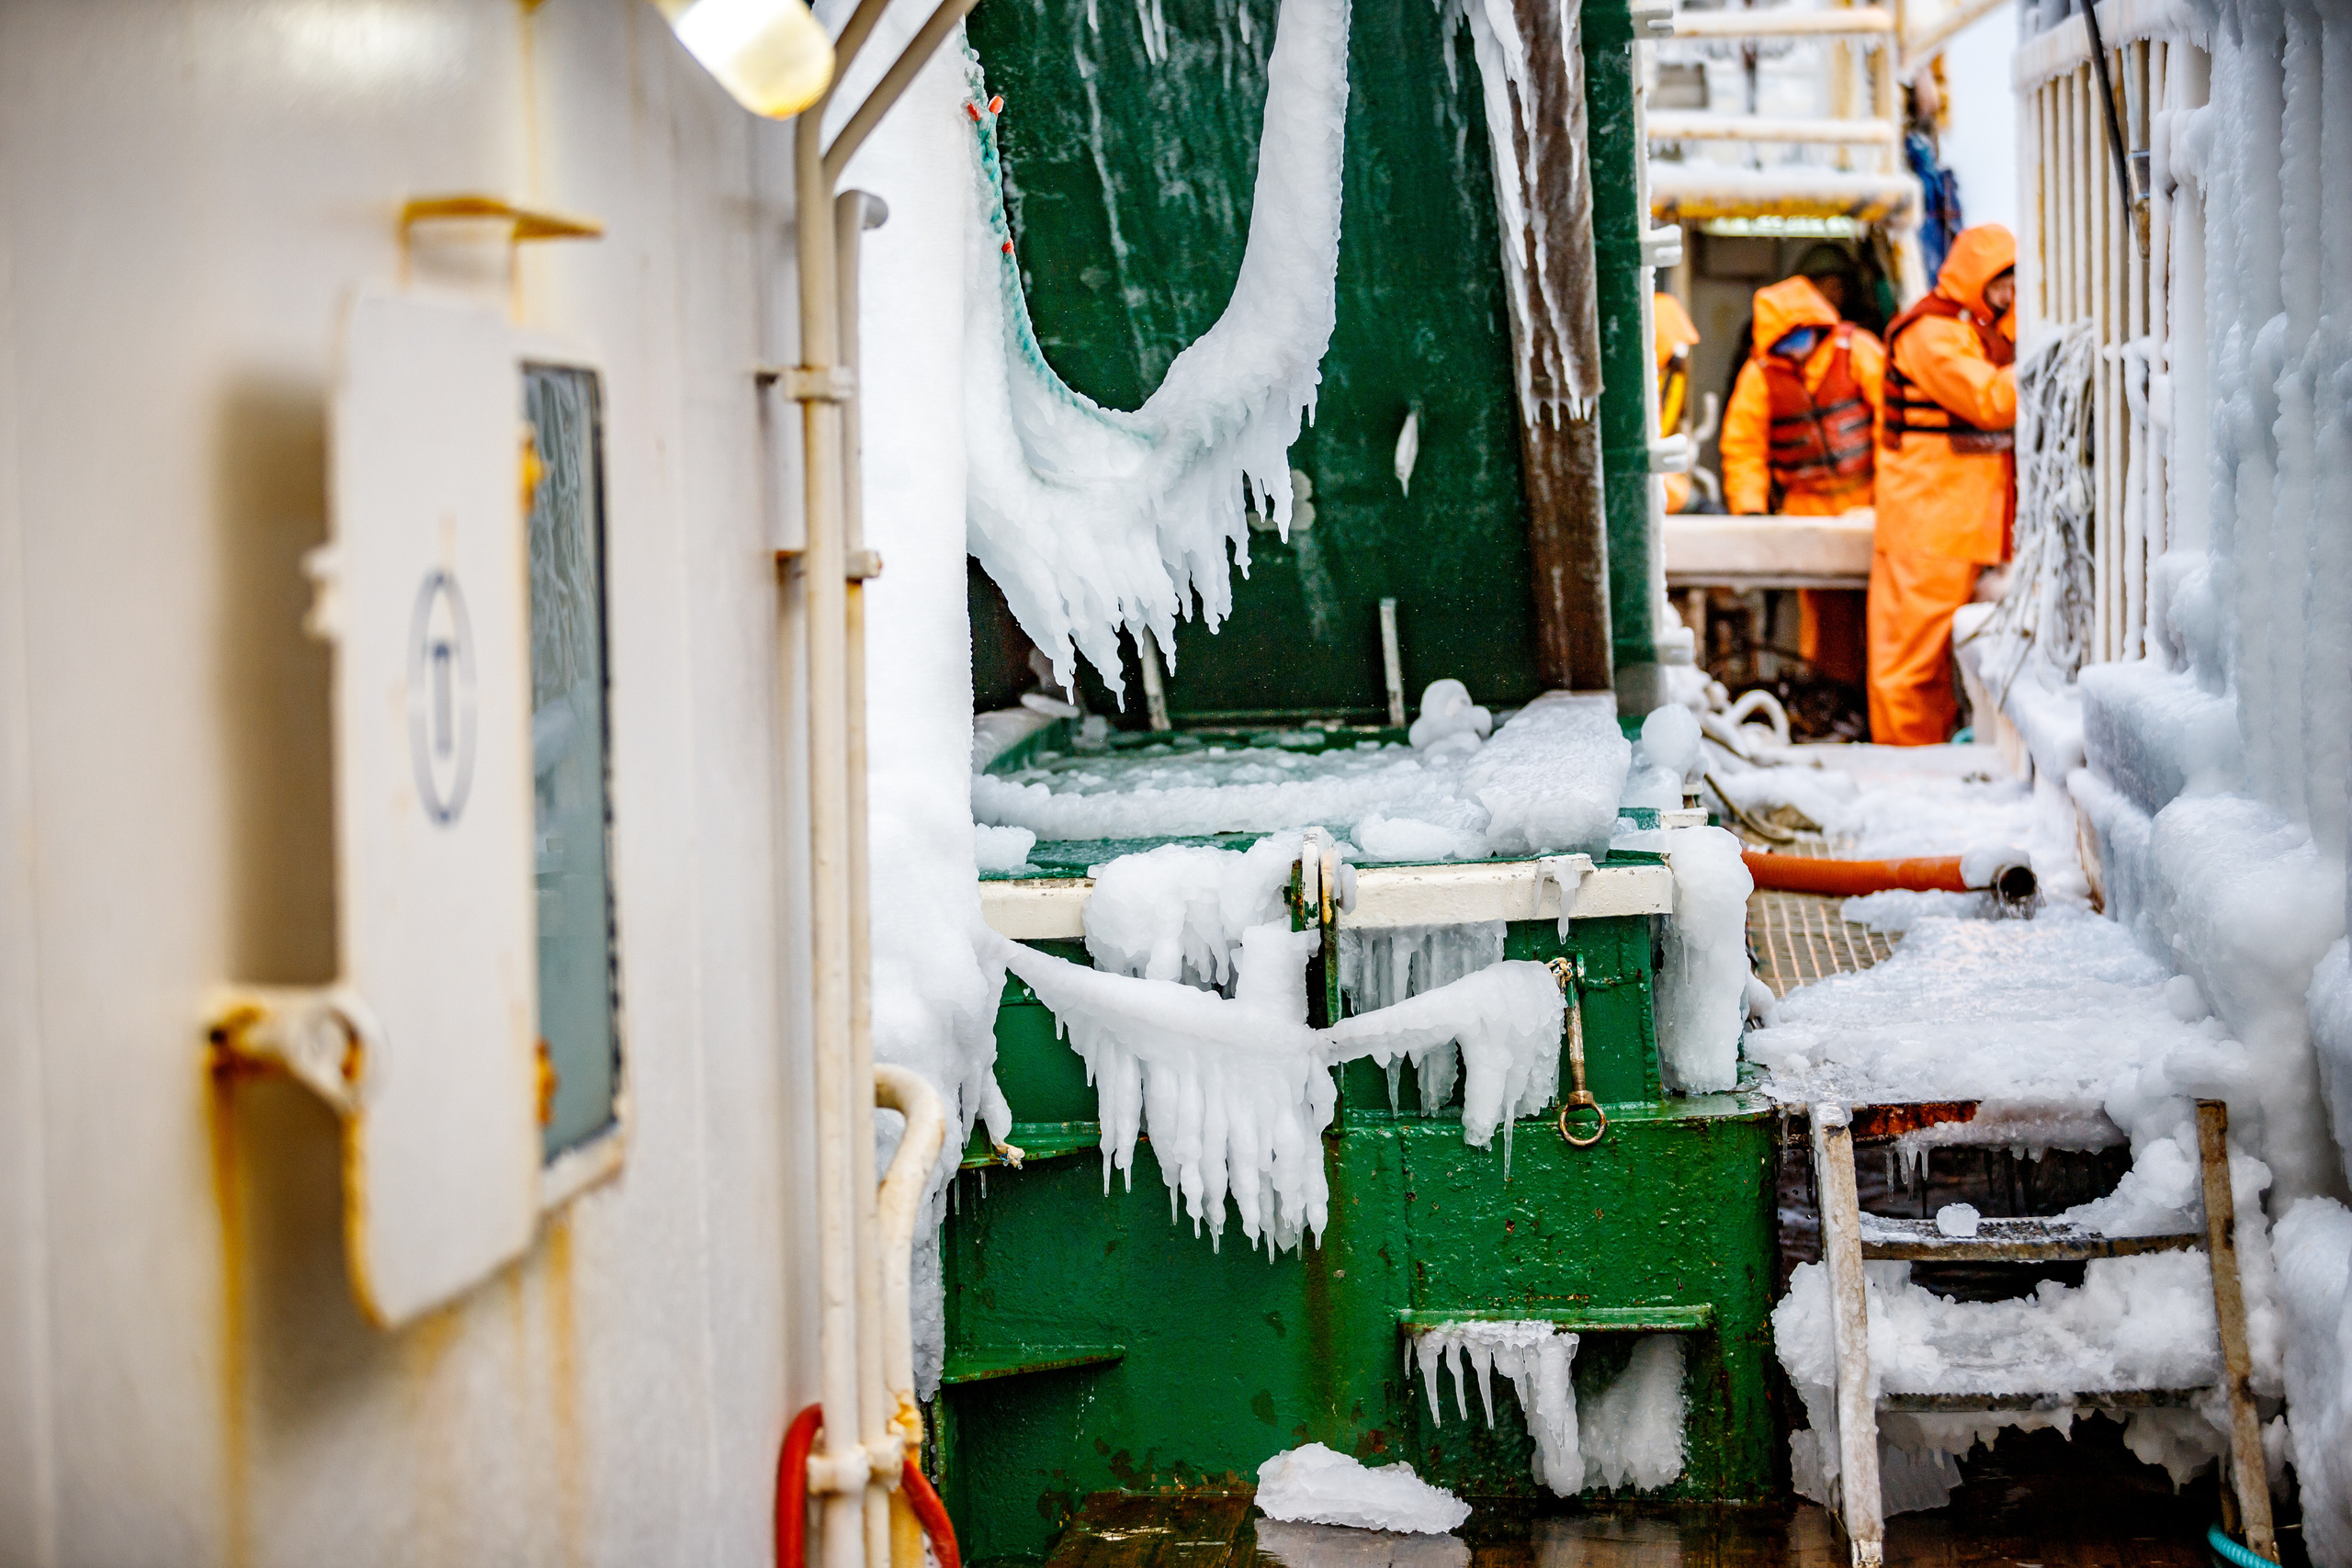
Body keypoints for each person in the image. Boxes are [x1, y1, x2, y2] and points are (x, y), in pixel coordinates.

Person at [1869, 223, 2018, 745]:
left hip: (1960, 524)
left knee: (1937, 662)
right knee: (1911, 665)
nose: (2009, 297)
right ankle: (1907, 771)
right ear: (1975, 279)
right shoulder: (1932, 333)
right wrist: (2043, 352)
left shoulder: (1974, 328)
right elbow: (1994, 403)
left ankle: (1929, 761)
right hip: (1929, 527)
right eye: (2002, 284)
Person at [1720, 274, 1884, 685]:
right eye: (1784, 339)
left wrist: (1891, 497)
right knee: (1824, 621)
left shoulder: (1857, 351)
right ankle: (1832, 699)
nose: (1794, 346)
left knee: (1884, 615)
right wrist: (1751, 510)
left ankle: (1872, 706)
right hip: (1806, 506)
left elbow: (1892, 425)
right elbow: (1743, 449)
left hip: (1871, 500)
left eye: (1800, 334)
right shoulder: (1760, 377)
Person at [1654, 290, 1702, 513]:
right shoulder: (1637, 386)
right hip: (1658, 487)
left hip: (1664, 484)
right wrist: (1691, 501)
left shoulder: (1669, 377)